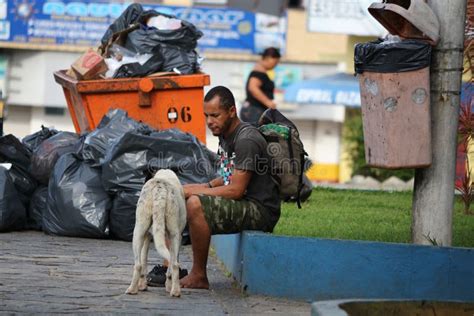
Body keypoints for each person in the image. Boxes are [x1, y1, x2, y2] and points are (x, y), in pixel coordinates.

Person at [147, 86, 281, 289]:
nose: (210, 121)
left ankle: (199, 275)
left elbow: (235, 190)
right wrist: (199, 186)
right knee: (172, 193)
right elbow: (228, 176)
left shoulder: (246, 140)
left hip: (260, 210)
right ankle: (170, 267)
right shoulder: (226, 135)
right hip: (244, 200)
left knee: (195, 204)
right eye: (206, 115)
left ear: (232, 111)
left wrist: (195, 191)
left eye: (215, 115)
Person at [240, 47, 281, 125]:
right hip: (254, 110)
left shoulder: (259, 71)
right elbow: (253, 88)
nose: (275, 65)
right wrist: (268, 102)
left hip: (253, 110)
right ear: (268, 58)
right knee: (255, 136)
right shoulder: (259, 72)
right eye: (275, 62)